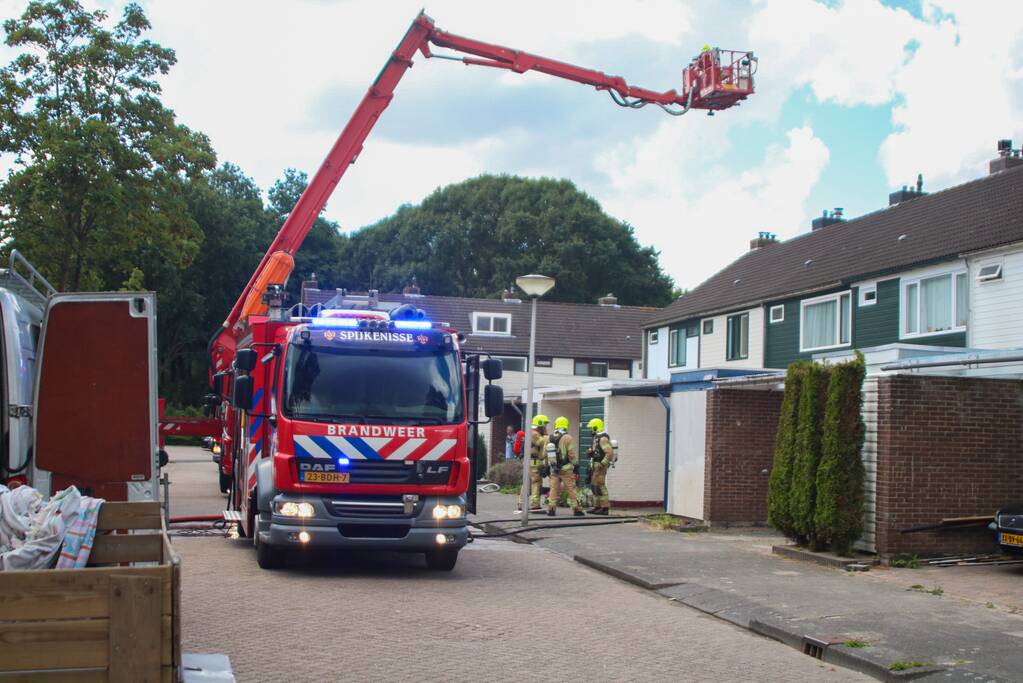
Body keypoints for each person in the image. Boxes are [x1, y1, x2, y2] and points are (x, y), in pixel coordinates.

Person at [547, 416, 583, 517]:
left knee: (553, 488)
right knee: (571, 488)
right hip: (566, 469)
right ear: (566, 425)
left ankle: (551, 510)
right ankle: (577, 510)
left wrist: (546, 466)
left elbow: (546, 454)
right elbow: (571, 455)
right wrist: (576, 465)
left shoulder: (550, 438)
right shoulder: (568, 438)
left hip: (554, 469)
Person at [586, 418, 614, 515]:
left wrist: (602, 464)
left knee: (600, 486)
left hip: (600, 467)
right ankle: (597, 506)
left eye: (591, 428)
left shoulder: (603, 439)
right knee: (595, 486)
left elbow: (609, 453)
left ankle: (605, 508)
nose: (591, 430)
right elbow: (596, 451)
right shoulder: (597, 438)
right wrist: (590, 452)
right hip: (595, 465)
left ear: (595, 427)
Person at [527, 414, 549, 512]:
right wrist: (545, 434)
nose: (545, 426)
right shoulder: (535, 434)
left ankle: (522, 504)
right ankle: (535, 505)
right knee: (536, 483)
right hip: (534, 462)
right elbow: (543, 442)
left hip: (530, 461)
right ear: (540, 424)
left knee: (527, 483)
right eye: (544, 424)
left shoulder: (531, 432)